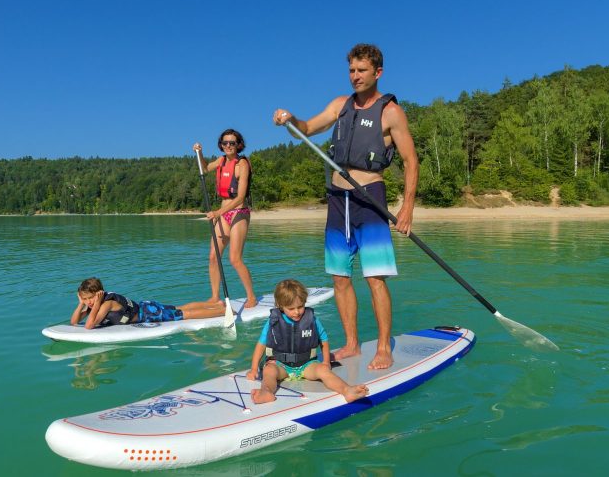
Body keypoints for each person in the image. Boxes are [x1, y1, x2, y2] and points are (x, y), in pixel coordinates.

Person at [273, 43, 419, 370]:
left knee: (375, 278)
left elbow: (411, 161)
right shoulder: (340, 105)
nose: (355, 76)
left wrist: (407, 207)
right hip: (338, 200)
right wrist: (290, 119)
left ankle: (383, 347)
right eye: (351, 70)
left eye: (362, 70)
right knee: (340, 277)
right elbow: (306, 129)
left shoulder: (391, 112)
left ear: (378, 72)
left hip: (370, 199)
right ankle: (352, 344)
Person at [246, 279, 369, 404]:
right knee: (269, 371)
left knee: (323, 371)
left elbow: (324, 340)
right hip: (281, 365)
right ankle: (266, 392)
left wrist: (326, 362)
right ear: (280, 306)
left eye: (300, 307)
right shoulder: (273, 322)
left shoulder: (312, 319)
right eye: (291, 308)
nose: (297, 312)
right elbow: (261, 345)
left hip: (307, 365)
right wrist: (254, 369)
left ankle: (346, 390)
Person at [192, 129, 258, 308]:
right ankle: (215, 297)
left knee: (234, 259)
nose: (228, 146)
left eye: (232, 143)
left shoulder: (242, 164)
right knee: (213, 257)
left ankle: (251, 297)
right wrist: (199, 153)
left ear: (238, 145)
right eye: (225, 143)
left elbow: (240, 197)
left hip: (239, 213)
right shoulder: (221, 161)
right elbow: (205, 168)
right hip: (223, 213)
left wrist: (217, 213)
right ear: (221, 145)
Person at [69, 277, 227, 329]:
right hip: (146, 306)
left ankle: (222, 311)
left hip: (149, 313)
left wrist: (95, 303)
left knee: (184, 314)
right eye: (85, 298)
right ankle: (217, 305)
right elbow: (74, 322)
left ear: (99, 294)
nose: (88, 302)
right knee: (179, 308)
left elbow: (89, 326)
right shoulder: (93, 305)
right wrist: (81, 304)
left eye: (90, 298)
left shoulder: (105, 304)